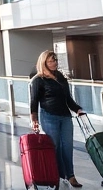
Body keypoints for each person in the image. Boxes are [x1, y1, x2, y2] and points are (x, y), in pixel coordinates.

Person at [30, 50, 86, 189]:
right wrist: (34, 120)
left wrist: (77, 109)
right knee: (55, 147)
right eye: (51, 61)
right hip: (49, 116)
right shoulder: (38, 80)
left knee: (67, 146)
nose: (54, 63)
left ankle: (70, 175)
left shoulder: (60, 77)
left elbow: (68, 98)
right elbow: (34, 101)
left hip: (65, 116)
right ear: (44, 63)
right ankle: (56, 175)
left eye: (55, 60)